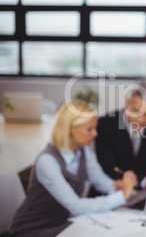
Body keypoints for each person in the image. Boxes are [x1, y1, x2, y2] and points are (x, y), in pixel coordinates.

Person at [9, 101, 137, 237]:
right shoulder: (47, 161)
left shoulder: (83, 151)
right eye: (89, 129)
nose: (95, 134)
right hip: (31, 229)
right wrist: (122, 196)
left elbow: (100, 181)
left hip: (60, 223)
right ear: (70, 128)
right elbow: (76, 206)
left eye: (95, 128)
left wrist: (119, 186)